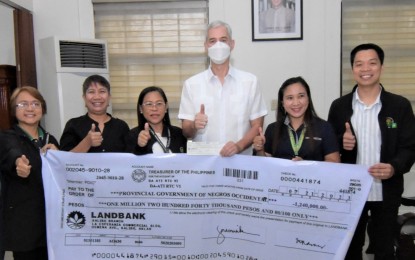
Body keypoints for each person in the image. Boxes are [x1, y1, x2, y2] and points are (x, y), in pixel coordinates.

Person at [328, 43, 415, 260]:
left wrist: (394, 167)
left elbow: (410, 147)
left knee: (385, 249)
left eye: (372, 63)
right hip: (350, 192)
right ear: (352, 70)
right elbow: (329, 149)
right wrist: (342, 142)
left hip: (386, 191)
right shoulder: (339, 106)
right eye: (359, 64)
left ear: (381, 67)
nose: (365, 68)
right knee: (349, 249)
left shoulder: (399, 105)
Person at [178, 20, 268, 157]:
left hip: (240, 163)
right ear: (205, 46)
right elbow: (186, 131)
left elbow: (257, 126)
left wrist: (238, 146)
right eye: (212, 41)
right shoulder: (191, 84)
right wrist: (194, 126)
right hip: (204, 166)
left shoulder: (250, 82)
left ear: (232, 44)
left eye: (223, 40)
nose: (218, 45)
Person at [0, 86, 59, 260]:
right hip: (24, 227)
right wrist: (19, 162)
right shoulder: (7, 137)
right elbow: (12, 152)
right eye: (23, 104)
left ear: (43, 108)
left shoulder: (50, 139)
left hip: (51, 225)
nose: (30, 108)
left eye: (35, 103)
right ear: (13, 110)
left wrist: (58, 156)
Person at [253, 76, 340, 162]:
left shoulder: (325, 128)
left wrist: (306, 166)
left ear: (308, 98)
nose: (296, 103)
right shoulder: (272, 129)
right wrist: (260, 150)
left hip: (312, 176)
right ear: (282, 103)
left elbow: (334, 162)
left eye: (301, 96)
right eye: (290, 98)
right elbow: (265, 165)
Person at [60, 74, 129, 153]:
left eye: (102, 91)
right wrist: (87, 143)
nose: (97, 97)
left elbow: (130, 160)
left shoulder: (121, 126)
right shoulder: (73, 125)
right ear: (84, 98)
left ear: (109, 97)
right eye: (91, 92)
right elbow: (64, 161)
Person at [126, 86, 187, 154]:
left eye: (159, 104)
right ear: (140, 108)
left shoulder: (179, 133)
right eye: (149, 104)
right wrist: (140, 147)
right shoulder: (133, 135)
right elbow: (130, 163)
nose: (154, 108)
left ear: (166, 107)